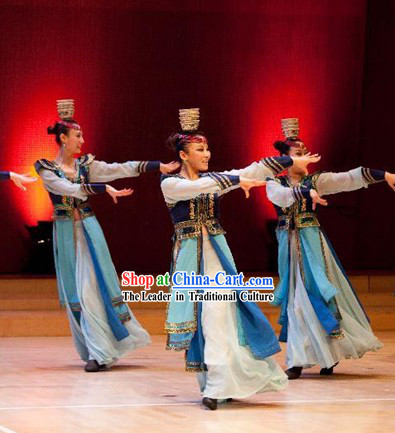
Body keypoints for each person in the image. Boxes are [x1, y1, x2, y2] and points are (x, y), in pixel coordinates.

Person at [161, 108, 319, 410]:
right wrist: (238, 178)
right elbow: (204, 186)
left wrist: (287, 162)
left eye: (207, 148)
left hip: (218, 258)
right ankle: (214, 384)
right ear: (183, 155)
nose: (207, 153)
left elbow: (249, 172)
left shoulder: (214, 179)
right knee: (205, 322)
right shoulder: (170, 185)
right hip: (190, 262)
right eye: (199, 149)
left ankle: (220, 384)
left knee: (220, 319)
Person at [35, 99, 179, 372]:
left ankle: (101, 353)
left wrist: (155, 166)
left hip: (89, 231)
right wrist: (104, 190)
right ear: (63, 139)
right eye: (78, 135)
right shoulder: (47, 170)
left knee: (92, 287)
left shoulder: (85, 166)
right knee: (78, 292)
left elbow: (119, 168)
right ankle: (94, 349)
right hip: (67, 235)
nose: (82, 140)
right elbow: (69, 189)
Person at [265, 118, 391, 379]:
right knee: (295, 300)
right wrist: (304, 193)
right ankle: (301, 357)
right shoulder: (274, 183)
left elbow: (348, 178)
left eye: (306, 153)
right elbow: (281, 198)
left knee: (314, 297)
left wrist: (384, 175)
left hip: (312, 244)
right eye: (299, 154)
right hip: (288, 245)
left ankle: (310, 358)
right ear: (285, 159)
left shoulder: (317, 180)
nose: (306, 158)